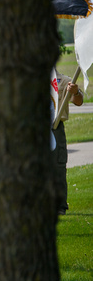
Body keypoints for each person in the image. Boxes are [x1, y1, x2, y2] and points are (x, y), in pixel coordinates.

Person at [53, 70, 83, 215]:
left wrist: (76, 92)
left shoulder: (64, 81)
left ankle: (59, 206)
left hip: (55, 128)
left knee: (58, 165)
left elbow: (79, 101)